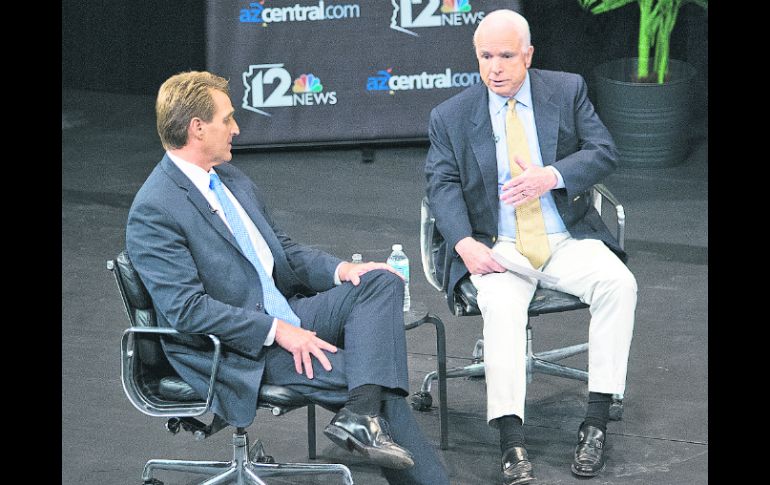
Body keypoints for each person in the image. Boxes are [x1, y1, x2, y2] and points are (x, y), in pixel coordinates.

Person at [126, 70, 449, 485]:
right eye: (227, 119)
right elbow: (187, 311)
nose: (236, 129)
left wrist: (342, 270)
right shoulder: (155, 209)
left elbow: (282, 251)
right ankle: (369, 417)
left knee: (380, 281)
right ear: (197, 128)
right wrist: (277, 330)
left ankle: (360, 417)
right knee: (373, 378)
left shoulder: (228, 179)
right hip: (236, 348)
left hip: (284, 311)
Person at [424, 9, 637, 484]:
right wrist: (462, 243)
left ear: (528, 55)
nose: (494, 67)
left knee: (619, 285)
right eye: (485, 56)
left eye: (505, 56)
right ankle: (511, 441)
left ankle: (596, 423)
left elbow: (603, 151)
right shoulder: (451, 115)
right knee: (500, 306)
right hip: (498, 244)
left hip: (565, 236)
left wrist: (551, 176)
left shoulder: (565, 89)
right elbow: (441, 185)